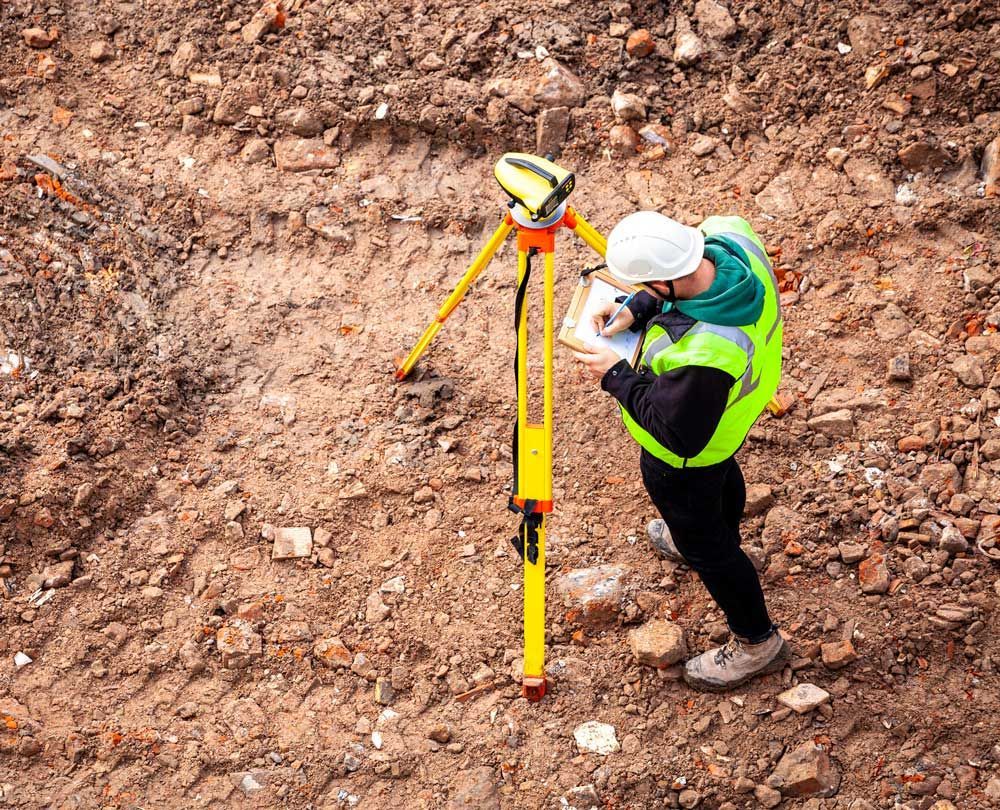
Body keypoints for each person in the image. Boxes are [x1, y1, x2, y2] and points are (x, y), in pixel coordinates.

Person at [572, 211, 788, 691]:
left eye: (647, 284)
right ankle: (716, 538)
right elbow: (684, 276)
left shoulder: (707, 352)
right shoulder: (729, 234)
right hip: (726, 426)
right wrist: (637, 307)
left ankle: (757, 642)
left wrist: (615, 375)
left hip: (687, 454)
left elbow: (678, 435)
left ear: (664, 278)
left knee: (707, 545)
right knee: (718, 485)